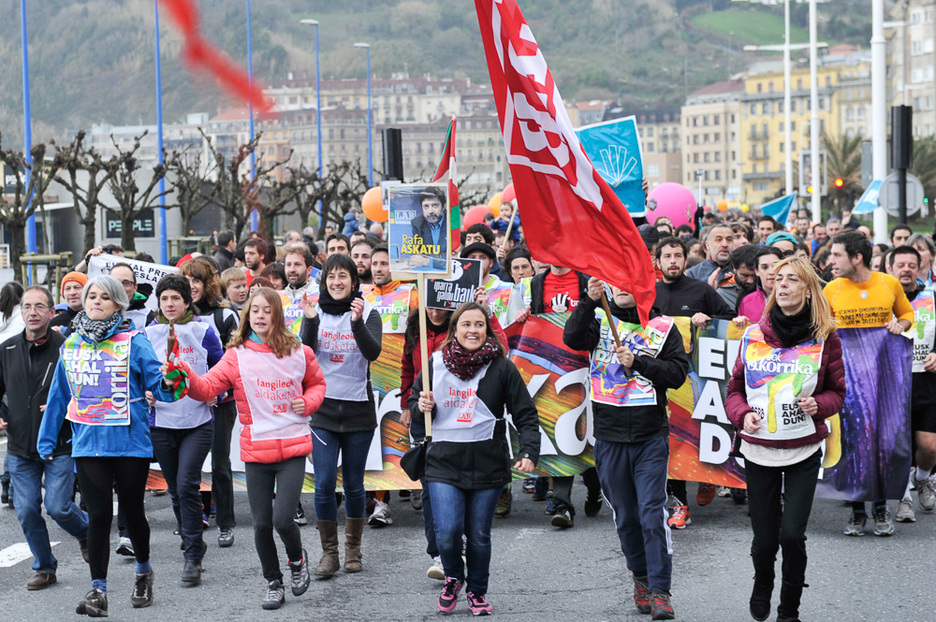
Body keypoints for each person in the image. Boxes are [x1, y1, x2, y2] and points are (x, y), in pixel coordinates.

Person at [37, 275, 180, 617]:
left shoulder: (135, 341)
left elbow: (162, 389)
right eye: (91, 297)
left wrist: (175, 378)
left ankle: (143, 571)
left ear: (118, 304)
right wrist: (45, 438)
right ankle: (97, 591)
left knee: (132, 513)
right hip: (88, 443)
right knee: (99, 515)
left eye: (104, 297)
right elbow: (60, 395)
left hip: (129, 442)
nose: (96, 301)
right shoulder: (71, 344)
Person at [176, 286, 326, 609]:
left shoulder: (300, 351)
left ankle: (297, 559)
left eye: (266, 310)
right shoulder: (236, 356)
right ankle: (274, 582)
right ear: (248, 316)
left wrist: (308, 402)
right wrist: (185, 373)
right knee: (261, 525)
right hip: (257, 451)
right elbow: (205, 388)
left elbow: (317, 384)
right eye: (254, 310)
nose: (259, 316)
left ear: (277, 315)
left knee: (284, 519)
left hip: (292, 448)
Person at [726, 257, 845, 622]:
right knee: (764, 541)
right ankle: (763, 583)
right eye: (779, 279)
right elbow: (733, 391)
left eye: (793, 279)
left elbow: (837, 392)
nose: (784, 285)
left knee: (792, 535)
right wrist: (742, 414)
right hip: (759, 451)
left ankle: (789, 608)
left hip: (803, 450)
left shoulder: (825, 337)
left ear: (809, 289)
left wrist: (818, 404)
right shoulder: (753, 334)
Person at [563, 277, 688, 621]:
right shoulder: (599, 320)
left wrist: (640, 362)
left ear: (642, 287)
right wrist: (588, 301)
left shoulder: (662, 327)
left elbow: (677, 374)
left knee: (652, 513)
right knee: (627, 517)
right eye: (613, 281)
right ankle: (641, 577)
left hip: (650, 437)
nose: (619, 287)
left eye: (626, 281)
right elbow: (571, 337)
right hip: (610, 436)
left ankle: (661, 590)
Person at [409, 302, 539, 616]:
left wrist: (529, 452)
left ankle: (477, 590)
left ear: (487, 329)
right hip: (443, 461)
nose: (473, 330)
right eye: (466, 324)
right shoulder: (435, 363)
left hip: (488, 462)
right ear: (454, 330)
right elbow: (415, 407)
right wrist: (421, 406)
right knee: (449, 531)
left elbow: (525, 414)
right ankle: (454, 576)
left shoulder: (502, 366)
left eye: (479, 325)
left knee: (479, 535)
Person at [824, 231, 914, 537]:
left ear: (856, 257)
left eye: (836, 255)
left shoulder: (889, 284)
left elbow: (907, 313)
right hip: (848, 380)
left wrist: (899, 324)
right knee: (855, 439)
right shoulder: (832, 289)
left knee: (885, 440)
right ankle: (858, 512)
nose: (830, 261)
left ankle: (881, 505)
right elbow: (820, 326)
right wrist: (829, 327)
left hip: (885, 377)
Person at [299, 253, 382, 578]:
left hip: (359, 411)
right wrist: (309, 321)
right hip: (323, 411)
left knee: (354, 485)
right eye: (331, 276)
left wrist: (357, 324)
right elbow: (305, 354)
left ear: (352, 281)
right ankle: (329, 553)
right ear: (324, 280)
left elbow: (372, 352)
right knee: (322, 485)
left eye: (343, 276)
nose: (336, 282)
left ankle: (354, 551)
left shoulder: (368, 310)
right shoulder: (314, 310)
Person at [0, 286, 89, 591]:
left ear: (52, 312)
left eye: (40, 307)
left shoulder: (68, 346)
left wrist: (63, 406)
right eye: (27, 307)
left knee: (58, 506)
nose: (33, 312)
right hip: (20, 446)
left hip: (59, 443)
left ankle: (87, 533)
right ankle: (44, 567)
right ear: (20, 311)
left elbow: (86, 391)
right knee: (25, 510)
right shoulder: (7, 349)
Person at [144, 275, 224, 586]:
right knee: (176, 489)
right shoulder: (147, 334)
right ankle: (194, 539)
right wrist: (147, 391)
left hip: (197, 421)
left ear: (187, 301)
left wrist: (218, 392)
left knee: (188, 484)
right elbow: (139, 373)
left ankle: (192, 556)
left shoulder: (203, 331)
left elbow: (221, 368)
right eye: (165, 299)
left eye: (176, 298)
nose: (170, 304)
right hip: (161, 422)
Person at [653, 236, 733, 527]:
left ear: (685, 260)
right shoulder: (649, 293)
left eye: (678, 256)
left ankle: (707, 476)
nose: (673, 261)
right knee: (670, 443)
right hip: (662, 380)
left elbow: (730, 321)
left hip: (698, 380)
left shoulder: (700, 290)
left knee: (696, 437)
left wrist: (707, 317)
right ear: (658, 261)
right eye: (667, 256)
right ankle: (679, 504)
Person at [179, 257, 241, 547]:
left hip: (221, 402)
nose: (191, 286)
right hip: (186, 401)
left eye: (197, 280)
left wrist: (220, 392)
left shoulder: (225, 316)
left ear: (208, 284)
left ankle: (225, 522)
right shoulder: (176, 316)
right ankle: (194, 517)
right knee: (189, 466)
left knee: (219, 463)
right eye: (187, 280)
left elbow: (235, 357)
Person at [886, 247, 936, 523]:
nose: (906, 269)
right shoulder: (882, 300)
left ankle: (923, 477)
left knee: (929, 447)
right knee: (900, 446)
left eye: (911, 264)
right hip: (893, 385)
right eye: (900, 264)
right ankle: (904, 498)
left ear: (920, 267)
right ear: (891, 269)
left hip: (926, 383)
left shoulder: (932, 297)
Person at [735, 247, 784, 326]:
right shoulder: (747, 301)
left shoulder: (794, 298)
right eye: (764, 267)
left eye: (776, 266)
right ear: (756, 271)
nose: (771, 272)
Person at [108, 264, 156, 330]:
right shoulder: (97, 310)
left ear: (135, 288)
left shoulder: (148, 317)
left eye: (126, 283)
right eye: (115, 282)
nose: (121, 288)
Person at [409, 186, 448, 267]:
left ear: (443, 206)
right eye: (426, 206)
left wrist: (428, 261)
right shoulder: (417, 223)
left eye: (435, 205)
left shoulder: (451, 222)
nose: (430, 211)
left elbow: (452, 257)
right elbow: (417, 256)